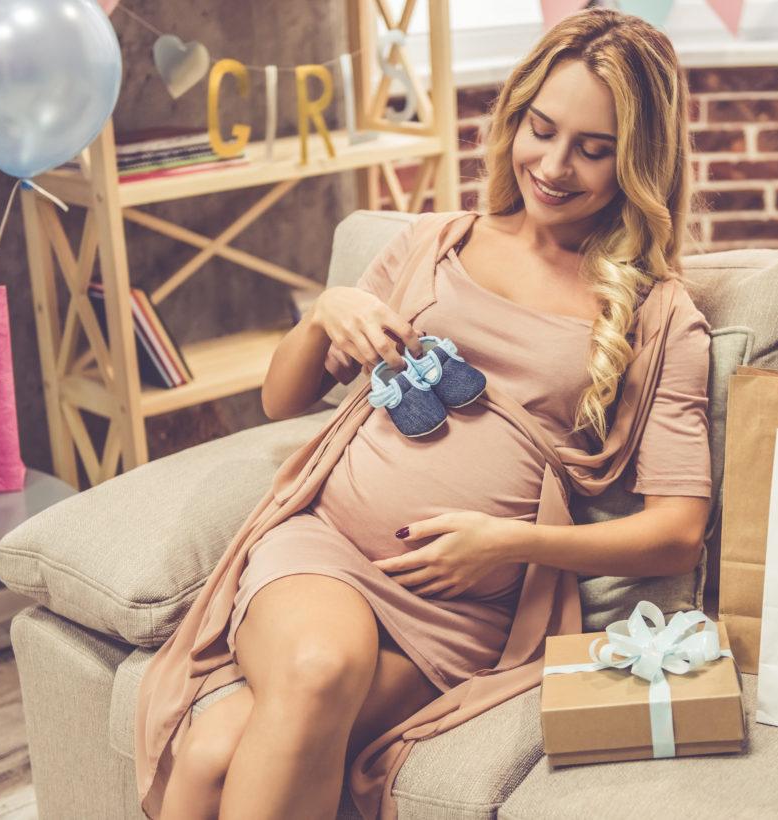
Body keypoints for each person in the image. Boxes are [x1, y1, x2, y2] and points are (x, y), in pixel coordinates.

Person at [147, 7, 712, 819]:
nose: (554, 166)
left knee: (213, 753)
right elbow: (281, 401)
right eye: (541, 130)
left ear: (640, 161)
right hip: (326, 547)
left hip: (465, 609)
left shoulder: (660, 316)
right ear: (514, 116)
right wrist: (322, 316)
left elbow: (677, 531)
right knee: (313, 671)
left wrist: (514, 543)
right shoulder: (431, 244)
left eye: (594, 150)